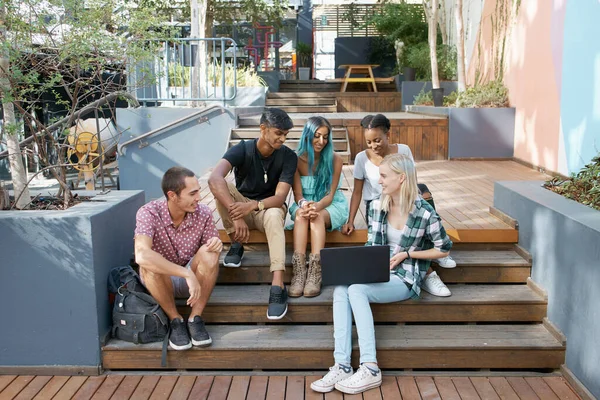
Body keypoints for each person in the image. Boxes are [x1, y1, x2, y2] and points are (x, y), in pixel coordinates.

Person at [311, 154, 453, 394]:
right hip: (378, 271)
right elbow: (372, 246)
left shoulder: (425, 213)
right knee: (342, 287)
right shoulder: (377, 205)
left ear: (402, 178)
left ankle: (370, 367)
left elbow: (443, 248)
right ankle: (342, 365)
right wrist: (357, 267)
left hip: (406, 277)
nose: (379, 181)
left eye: (384, 176)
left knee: (355, 290)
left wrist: (408, 254)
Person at [341, 114, 455, 297]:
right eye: (368, 142)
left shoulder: (403, 150)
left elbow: (411, 181)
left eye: (377, 140)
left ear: (388, 134)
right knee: (407, 234)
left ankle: (439, 246)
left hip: (403, 199)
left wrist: (416, 204)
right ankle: (427, 273)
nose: (373, 146)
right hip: (378, 206)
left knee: (423, 194)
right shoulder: (362, 158)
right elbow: (356, 192)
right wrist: (351, 220)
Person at [208, 108, 298, 320]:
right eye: (278, 133)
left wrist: (253, 206)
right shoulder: (243, 149)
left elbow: (280, 197)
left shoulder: (288, 156)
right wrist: (238, 215)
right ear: (263, 129)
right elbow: (214, 178)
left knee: (276, 213)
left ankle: (277, 285)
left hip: (267, 208)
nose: (283, 138)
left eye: (286, 134)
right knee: (222, 187)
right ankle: (236, 243)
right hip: (241, 209)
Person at [134, 167, 222, 351]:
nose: (199, 197)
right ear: (172, 195)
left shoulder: (203, 213)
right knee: (149, 263)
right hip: (160, 282)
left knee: (210, 252)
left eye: (198, 191)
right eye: (193, 193)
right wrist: (186, 274)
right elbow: (141, 254)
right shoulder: (148, 212)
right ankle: (175, 320)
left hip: (194, 282)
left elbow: (210, 253)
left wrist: (215, 243)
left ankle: (195, 318)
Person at [288, 116, 349, 298]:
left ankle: (315, 272)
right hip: (305, 204)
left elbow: (330, 195)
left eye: (325, 136)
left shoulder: (335, 159)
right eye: (317, 136)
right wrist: (305, 204)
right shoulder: (296, 159)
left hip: (330, 204)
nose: (321, 141)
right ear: (307, 135)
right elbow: (298, 195)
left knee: (317, 216)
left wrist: (317, 206)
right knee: (300, 215)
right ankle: (299, 273)